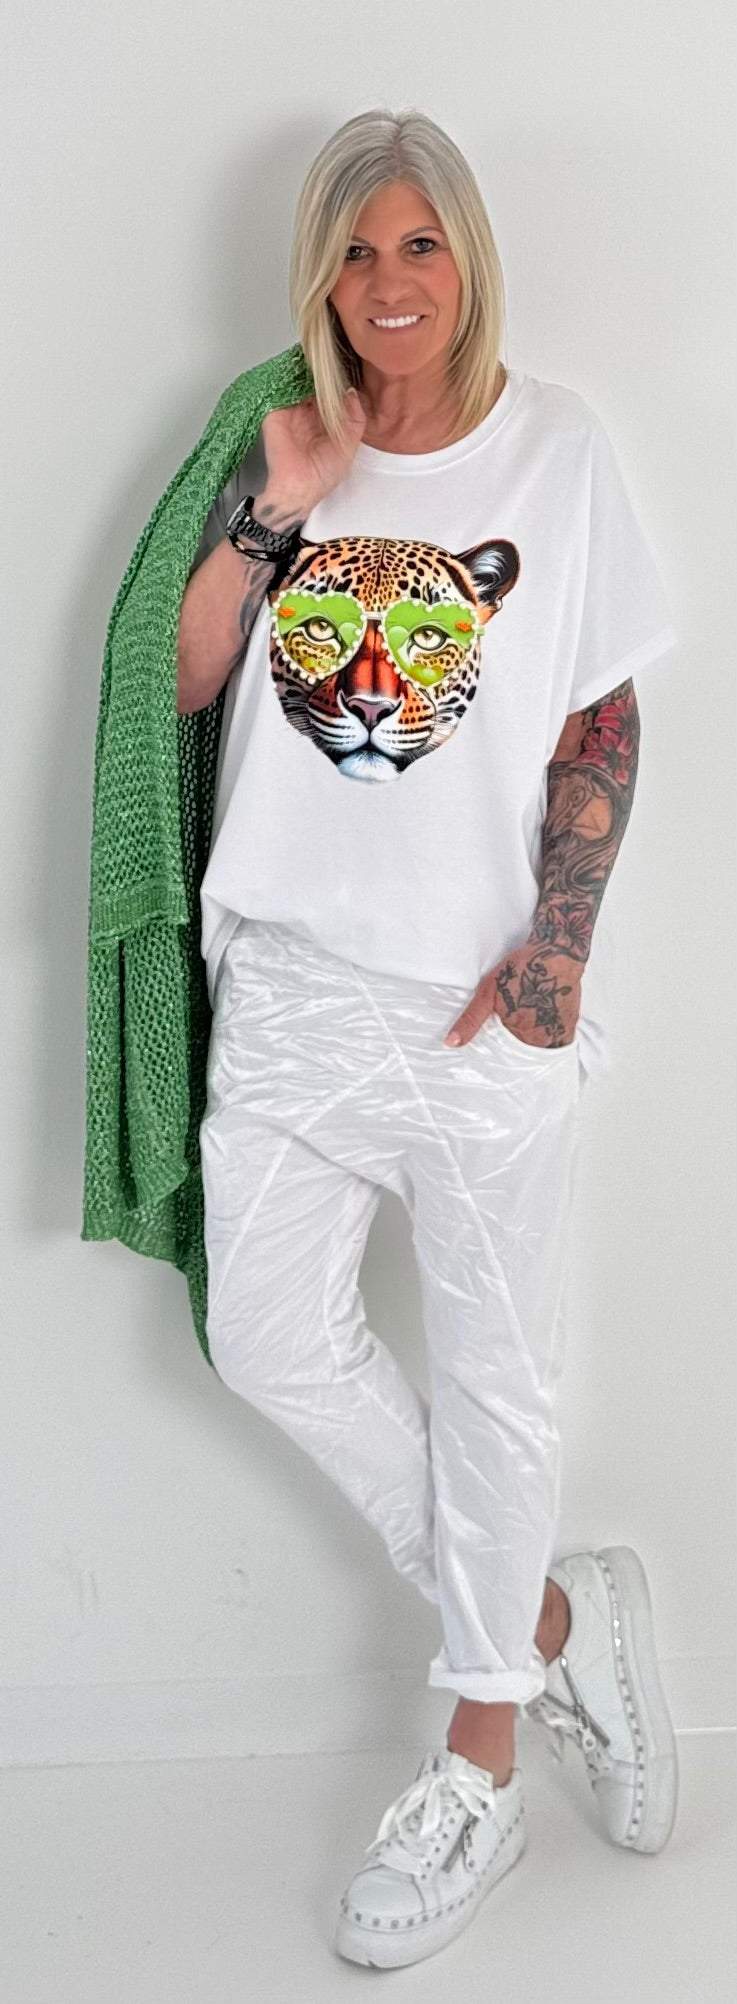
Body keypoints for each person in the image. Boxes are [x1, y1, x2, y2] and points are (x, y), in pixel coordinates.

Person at [176, 107, 679, 1969]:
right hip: (288, 976)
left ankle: (477, 1764)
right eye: (356, 250)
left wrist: (558, 947)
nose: (388, 283)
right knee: (262, 1335)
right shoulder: (273, 443)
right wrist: (277, 503)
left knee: (492, 1378)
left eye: (420, 244)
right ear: (318, 272)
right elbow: (185, 678)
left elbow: (599, 715)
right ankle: (544, 1625)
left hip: (473, 999)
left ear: (466, 257)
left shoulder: (555, 448)